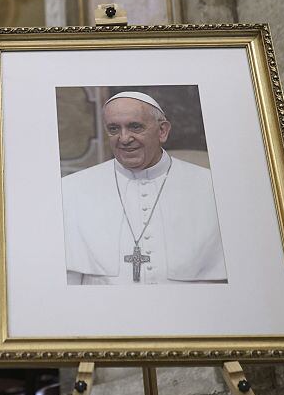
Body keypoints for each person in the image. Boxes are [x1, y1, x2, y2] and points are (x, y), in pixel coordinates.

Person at [62, 91, 228, 285]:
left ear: (162, 131)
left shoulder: (214, 188)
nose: (124, 138)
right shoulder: (71, 189)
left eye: (135, 127)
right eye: (114, 129)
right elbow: (66, 283)